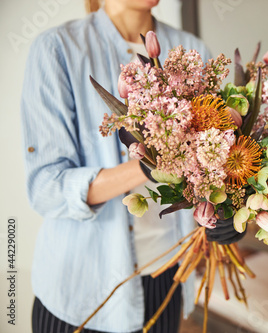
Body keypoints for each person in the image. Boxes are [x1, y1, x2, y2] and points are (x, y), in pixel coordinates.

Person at [21, 0, 211, 332]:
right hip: (81, 293)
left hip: (164, 279)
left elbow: (211, 162)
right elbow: (46, 188)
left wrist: (224, 216)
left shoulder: (191, 50)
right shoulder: (58, 49)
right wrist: (146, 166)